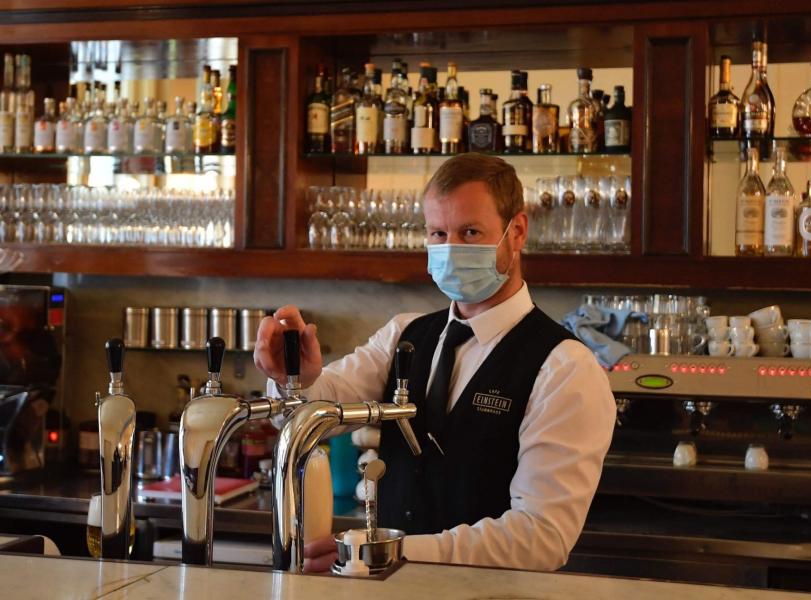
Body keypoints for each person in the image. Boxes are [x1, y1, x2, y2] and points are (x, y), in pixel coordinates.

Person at [254, 153, 615, 572]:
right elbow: (312, 414)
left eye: (470, 232)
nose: (451, 249)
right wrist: (293, 376)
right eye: (438, 233)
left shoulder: (564, 368)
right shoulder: (405, 335)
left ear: (517, 232)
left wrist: (395, 552)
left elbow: (540, 539)